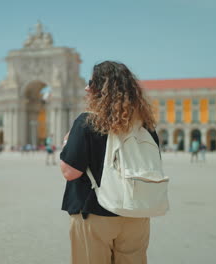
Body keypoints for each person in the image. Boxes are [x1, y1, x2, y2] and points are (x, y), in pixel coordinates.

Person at [60, 61, 157, 264]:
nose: (86, 88)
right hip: (136, 213)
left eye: (90, 83)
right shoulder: (146, 126)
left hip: (95, 214)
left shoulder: (87, 122)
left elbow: (70, 172)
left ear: (100, 89)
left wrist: (67, 144)